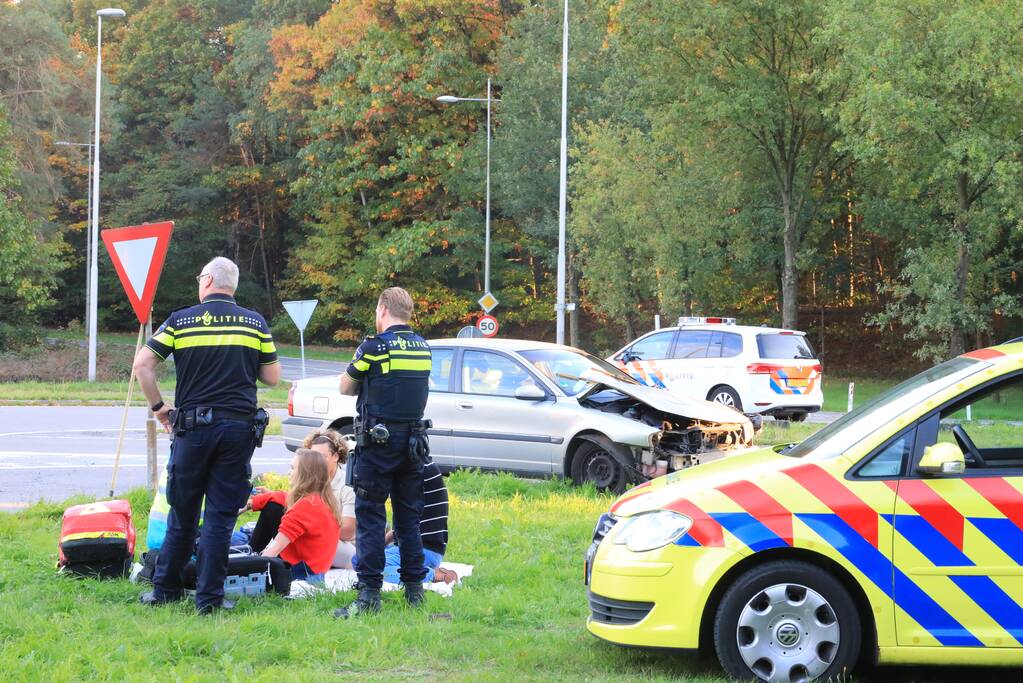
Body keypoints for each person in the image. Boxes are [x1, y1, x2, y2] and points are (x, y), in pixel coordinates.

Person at [135, 256, 280, 614]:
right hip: (237, 431)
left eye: (200, 276)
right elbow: (272, 377)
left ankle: (165, 590)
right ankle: (210, 600)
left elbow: (143, 365)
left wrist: (159, 408)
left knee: (182, 514)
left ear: (209, 279)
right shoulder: (254, 323)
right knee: (219, 518)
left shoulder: (180, 320)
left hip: (192, 430)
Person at [334, 287, 433, 618]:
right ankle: (415, 592)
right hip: (413, 445)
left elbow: (345, 387)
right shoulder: (423, 348)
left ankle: (370, 594)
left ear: (382, 310)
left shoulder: (373, 348)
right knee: (409, 518)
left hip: (378, 445)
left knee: (371, 517)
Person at [353, 459, 453, 585]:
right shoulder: (418, 465)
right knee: (359, 559)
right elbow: (404, 522)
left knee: (370, 568)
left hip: (424, 549)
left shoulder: (414, 470)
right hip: (418, 547)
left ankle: (435, 576)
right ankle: (424, 571)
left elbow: (406, 523)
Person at [250, 448, 342, 582]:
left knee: (272, 508)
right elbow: (281, 497)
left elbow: (272, 552)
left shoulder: (305, 506)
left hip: (302, 573)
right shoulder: (324, 500)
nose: (289, 472)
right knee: (273, 506)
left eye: (293, 468)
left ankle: (250, 554)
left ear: (305, 475)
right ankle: (252, 552)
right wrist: (250, 504)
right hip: (317, 570)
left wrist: (248, 567)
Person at [303, 429, 358, 568]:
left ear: (336, 456)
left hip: (348, 546)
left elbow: (347, 532)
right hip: (320, 538)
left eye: (322, 457)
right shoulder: (308, 481)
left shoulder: (347, 486)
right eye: (313, 457)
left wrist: (311, 529)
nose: (316, 462)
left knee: (309, 540)